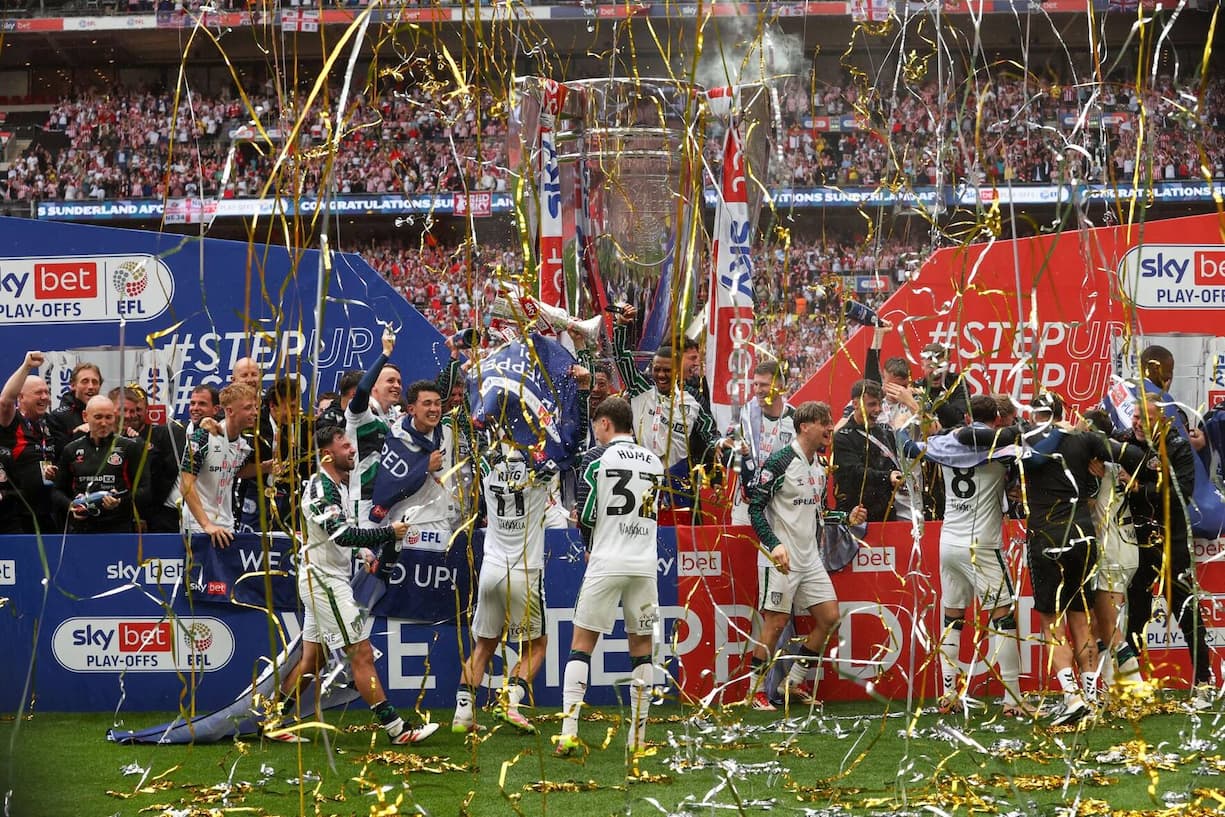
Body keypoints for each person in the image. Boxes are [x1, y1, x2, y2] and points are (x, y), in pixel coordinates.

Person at [273, 426, 439, 746]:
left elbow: (335, 536)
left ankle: (272, 721)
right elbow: (342, 534)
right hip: (325, 583)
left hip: (325, 579)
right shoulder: (321, 488)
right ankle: (397, 729)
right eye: (344, 445)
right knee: (360, 653)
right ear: (327, 454)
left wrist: (361, 552)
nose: (352, 450)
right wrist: (388, 533)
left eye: (350, 444)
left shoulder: (338, 485)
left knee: (313, 660)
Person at [895, 395, 1052, 717]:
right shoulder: (1002, 449)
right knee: (1003, 619)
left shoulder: (944, 445)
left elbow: (907, 448)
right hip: (982, 545)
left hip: (948, 543)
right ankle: (1012, 699)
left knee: (952, 618)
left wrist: (901, 426)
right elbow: (1036, 457)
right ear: (998, 420)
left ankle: (948, 694)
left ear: (968, 418)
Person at [1021, 393, 1145, 725]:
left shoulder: (1026, 439)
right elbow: (1134, 454)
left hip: (1048, 538)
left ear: (1035, 415)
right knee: (1080, 619)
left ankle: (1072, 697)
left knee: (1053, 622)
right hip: (1084, 538)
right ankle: (1091, 696)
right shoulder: (1085, 439)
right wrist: (1123, 472)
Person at [555, 396, 664, 757]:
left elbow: (587, 514)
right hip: (644, 564)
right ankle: (638, 737)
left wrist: (588, 537)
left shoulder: (596, 458)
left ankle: (569, 732)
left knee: (581, 644)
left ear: (605, 423)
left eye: (597, 426)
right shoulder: (653, 460)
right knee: (642, 649)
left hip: (606, 559)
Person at [744, 401, 866, 710]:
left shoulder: (819, 465)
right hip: (780, 558)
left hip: (809, 558)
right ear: (804, 427)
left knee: (830, 619)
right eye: (824, 423)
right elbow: (754, 508)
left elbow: (819, 512)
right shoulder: (780, 461)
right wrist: (774, 544)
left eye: (830, 422)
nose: (830, 428)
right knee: (775, 623)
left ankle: (793, 681)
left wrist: (846, 517)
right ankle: (754, 691)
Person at [451, 440, 552, 735]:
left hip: (491, 568)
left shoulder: (487, 463)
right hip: (525, 570)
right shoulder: (541, 465)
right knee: (536, 646)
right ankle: (510, 701)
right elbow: (566, 453)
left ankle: (462, 714)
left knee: (484, 646)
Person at [1123, 390, 1214, 705]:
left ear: (1162, 420)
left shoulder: (1177, 446)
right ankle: (1130, 686)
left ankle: (1203, 683)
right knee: (1136, 614)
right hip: (1136, 544)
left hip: (1171, 542)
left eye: (1145, 419)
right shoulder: (1125, 442)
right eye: (1135, 416)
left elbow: (1180, 493)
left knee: (1186, 611)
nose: (1138, 423)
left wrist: (1138, 488)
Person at [611, 306, 720, 508]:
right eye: (657, 369)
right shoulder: (641, 389)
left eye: (667, 370)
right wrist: (621, 326)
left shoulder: (693, 399)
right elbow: (621, 357)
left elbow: (710, 434)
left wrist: (721, 445)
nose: (661, 375)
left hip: (679, 477)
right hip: (641, 474)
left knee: (678, 526)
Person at [1081, 408, 1142, 687]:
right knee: (1099, 624)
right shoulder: (1118, 461)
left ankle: (1135, 686)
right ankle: (1109, 684)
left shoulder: (1095, 467)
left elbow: (1088, 505)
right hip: (1126, 546)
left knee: (1108, 626)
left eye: (1082, 431)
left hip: (1110, 551)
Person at [50, 396, 149, 534]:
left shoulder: (129, 447)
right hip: (81, 529)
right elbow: (57, 491)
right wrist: (71, 506)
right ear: (85, 416)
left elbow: (145, 490)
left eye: (108, 417)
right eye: (98, 417)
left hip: (118, 529)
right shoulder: (71, 449)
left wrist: (120, 501)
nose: (103, 423)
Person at [180, 383, 260, 546]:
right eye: (248, 408)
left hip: (226, 526)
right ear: (230, 411)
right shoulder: (202, 437)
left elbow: (235, 471)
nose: (255, 412)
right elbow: (185, 484)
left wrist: (267, 467)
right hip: (198, 528)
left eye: (255, 407)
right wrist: (206, 525)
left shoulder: (245, 444)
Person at [345, 328, 402, 526]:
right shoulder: (362, 414)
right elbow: (362, 388)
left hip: (388, 502)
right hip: (364, 501)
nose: (397, 385)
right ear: (374, 386)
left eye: (399, 382)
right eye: (390, 381)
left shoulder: (395, 418)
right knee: (365, 547)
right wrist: (386, 353)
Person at [730, 359, 796, 527]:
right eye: (756, 384)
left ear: (780, 387)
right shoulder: (745, 415)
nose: (758, 390)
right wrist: (740, 459)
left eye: (764, 385)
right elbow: (726, 452)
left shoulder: (796, 420)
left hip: (778, 510)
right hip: (745, 508)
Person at [832, 380, 905, 522]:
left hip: (886, 514)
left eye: (880, 404)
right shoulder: (842, 437)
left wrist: (899, 478)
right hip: (857, 515)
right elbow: (855, 472)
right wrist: (887, 477)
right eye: (872, 404)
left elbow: (892, 467)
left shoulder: (885, 433)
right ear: (855, 404)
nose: (878, 409)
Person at [0, 352, 57, 533]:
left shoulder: (49, 423)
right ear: (21, 397)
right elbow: (5, 401)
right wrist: (27, 366)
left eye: (47, 392)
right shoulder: (12, 421)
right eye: (38, 393)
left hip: (47, 513)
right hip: (18, 516)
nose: (45, 397)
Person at [47, 362, 103, 453]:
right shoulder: (58, 417)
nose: (91, 386)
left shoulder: (107, 413)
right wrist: (77, 435)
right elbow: (59, 455)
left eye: (95, 382)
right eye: (85, 381)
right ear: (73, 385)